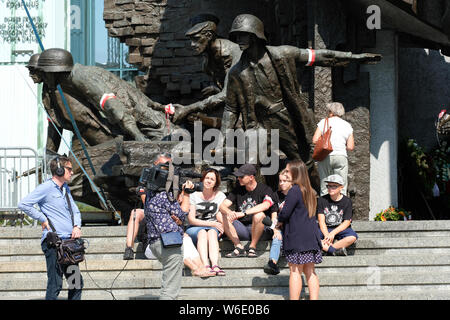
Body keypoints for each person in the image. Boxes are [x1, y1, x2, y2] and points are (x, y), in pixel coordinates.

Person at [220, 14, 380, 165]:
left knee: (306, 162)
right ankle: (258, 195)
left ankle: (320, 192)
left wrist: (353, 57)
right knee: (252, 163)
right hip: (258, 124)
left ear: (255, 35)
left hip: (284, 119)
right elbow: (231, 109)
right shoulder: (236, 73)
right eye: (236, 36)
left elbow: (320, 57)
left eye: (242, 35)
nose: (238, 40)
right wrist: (222, 140)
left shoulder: (283, 54)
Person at [36, 48, 174, 142]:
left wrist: (138, 136)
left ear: (54, 71)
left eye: (44, 72)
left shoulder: (81, 77)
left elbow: (113, 106)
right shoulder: (67, 83)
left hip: (149, 125)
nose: (42, 76)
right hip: (133, 125)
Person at [17, 156, 83, 300]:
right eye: (69, 169)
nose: (72, 172)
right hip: (54, 244)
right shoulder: (46, 188)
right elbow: (23, 204)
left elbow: (75, 210)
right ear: (59, 170)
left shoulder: (65, 188)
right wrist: (42, 218)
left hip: (69, 244)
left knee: (76, 283)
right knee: (55, 284)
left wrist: (77, 226)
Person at [143, 153, 197, 300]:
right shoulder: (163, 195)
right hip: (169, 243)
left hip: (156, 242)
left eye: (169, 168)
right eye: (164, 167)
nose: (167, 171)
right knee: (170, 291)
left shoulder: (150, 192)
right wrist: (186, 194)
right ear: (155, 166)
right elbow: (182, 214)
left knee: (169, 285)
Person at [172, 13, 242, 124]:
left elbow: (228, 93)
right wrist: (216, 89)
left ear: (209, 36)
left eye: (196, 39)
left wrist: (188, 108)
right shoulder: (207, 61)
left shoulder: (235, 52)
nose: (192, 44)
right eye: (191, 40)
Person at [277, 159, 322, 300]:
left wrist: (279, 220)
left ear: (295, 172)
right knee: (310, 271)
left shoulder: (294, 190)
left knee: (295, 271)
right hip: (311, 236)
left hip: (297, 237)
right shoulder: (310, 190)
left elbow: (285, 213)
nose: (285, 172)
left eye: (287, 170)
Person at [219, 163, 279, 258]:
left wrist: (243, 213)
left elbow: (266, 205)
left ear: (251, 177)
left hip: (261, 229)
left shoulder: (265, 189)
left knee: (258, 215)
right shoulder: (238, 190)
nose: (238, 178)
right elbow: (222, 206)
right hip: (243, 229)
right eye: (238, 176)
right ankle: (239, 247)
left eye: (241, 176)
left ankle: (253, 247)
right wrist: (230, 213)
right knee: (220, 214)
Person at [186, 168, 227, 275]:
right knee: (203, 232)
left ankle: (215, 265)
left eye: (212, 179)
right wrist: (212, 223)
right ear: (202, 179)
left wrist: (223, 225)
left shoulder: (220, 196)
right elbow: (191, 220)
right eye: (207, 178)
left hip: (213, 228)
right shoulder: (193, 195)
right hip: (195, 227)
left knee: (212, 232)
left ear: (216, 183)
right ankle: (205, 265)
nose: (208, 181)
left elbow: (223, 213)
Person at [312, 102, 354, 196]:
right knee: (341, 185)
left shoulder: (324, 122)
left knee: (324, 185)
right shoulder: (347, 125)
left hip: (325, 156)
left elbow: (315, 140)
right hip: (341, 156)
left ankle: (324, 208)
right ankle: (341, 207)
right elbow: (350, 147)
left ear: (331, 112)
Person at [317, 174, 358, 256]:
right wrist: (327, 235)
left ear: (341, 187)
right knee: (309, 237)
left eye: (334, 186)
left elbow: (346, 222)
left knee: (352, 237)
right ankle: (333, 250)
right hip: (325, 228)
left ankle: (326, 249)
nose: (330, 189)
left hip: (340, 228)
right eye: (328, 186)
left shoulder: (347, 201)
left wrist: (332, 233)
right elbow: (321, 221)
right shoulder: (322, 200)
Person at [263, 169, 293, 275]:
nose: (281, 183)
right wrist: (275, 229)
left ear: (292, 182)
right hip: (280, 226)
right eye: (280, 181)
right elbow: (274, 214)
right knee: (277, 237)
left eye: (285, 181)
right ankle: (272, 263)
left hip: (294, 227)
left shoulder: (296, 194)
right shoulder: (276, 195)